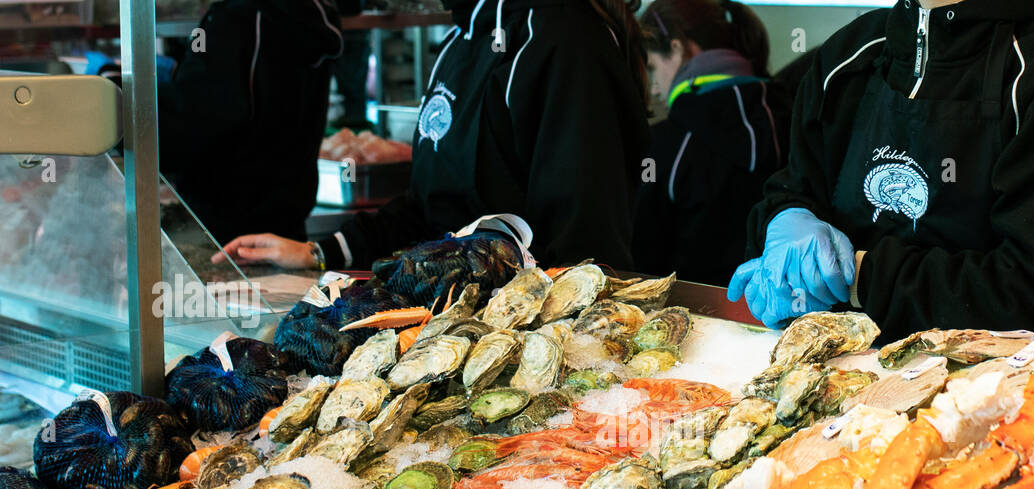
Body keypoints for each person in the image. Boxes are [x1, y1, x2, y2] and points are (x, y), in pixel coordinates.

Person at [727, 0, 1034, 340]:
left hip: (1001, 410)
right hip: (836, 389)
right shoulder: (849, 55)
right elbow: (793, 189)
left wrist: (857, 276)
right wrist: (784, 220)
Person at [216, 0, 651, 274]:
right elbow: (429, 211)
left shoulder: (564, 42)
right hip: (454, 329)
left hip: (524, 346)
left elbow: (589, 249)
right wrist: (317, 252)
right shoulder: (462, 38)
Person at [158, 0, 344, 244]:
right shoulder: (299, 11)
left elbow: (196, 124)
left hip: (228, 235)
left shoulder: (239, 18)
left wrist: (120, 98)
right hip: (283, 227)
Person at [633, 0, 789, 285]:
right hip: (789, 309)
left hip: (698, 315)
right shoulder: (792, 112)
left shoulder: (668, 144)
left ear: (678, 48)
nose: (654, 87)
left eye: (653, 68)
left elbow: (645, 259)